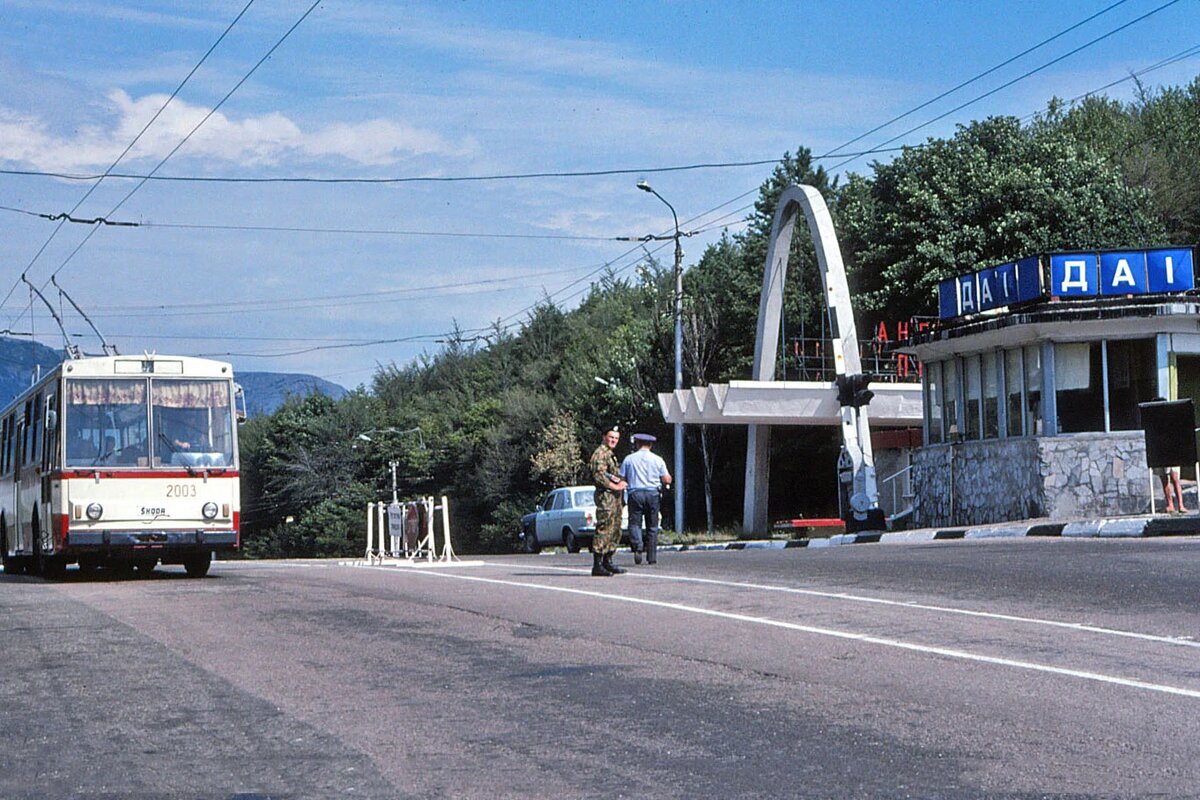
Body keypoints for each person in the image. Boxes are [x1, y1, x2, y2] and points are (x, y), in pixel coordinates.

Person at [620, 433, 672, 564]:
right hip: (652, 494)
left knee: (635, 523)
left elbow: (622, 479)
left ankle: (638, 546)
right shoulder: (658, 459)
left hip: (635, 494)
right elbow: (666, 478)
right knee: (652, 526)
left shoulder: (629, 459)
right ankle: (651, 556)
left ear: (637, 444)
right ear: (651, 445)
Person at [588, 425, 628, 577]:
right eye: (611, 437)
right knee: (605, 527)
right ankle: (597, 564)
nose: (613, 440)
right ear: (604, 437)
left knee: (615, 528)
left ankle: (608, 561)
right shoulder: (600, 454)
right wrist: (616, 487)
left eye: (616, 438)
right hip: (606, 496)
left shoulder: (609, 454)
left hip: (614, 498)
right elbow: (599, 476)